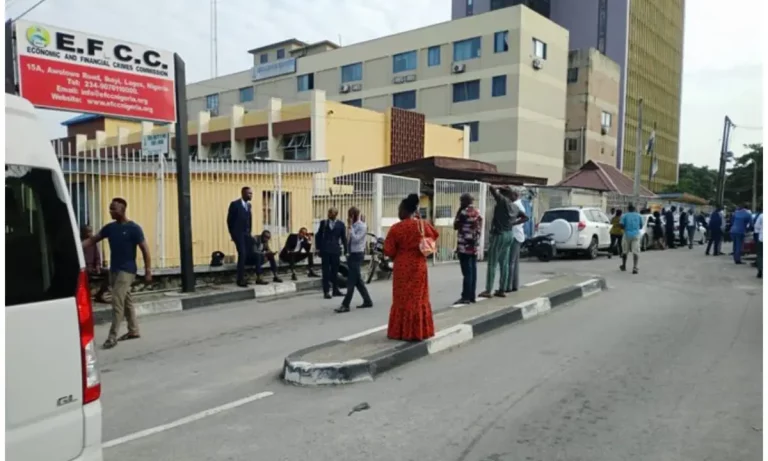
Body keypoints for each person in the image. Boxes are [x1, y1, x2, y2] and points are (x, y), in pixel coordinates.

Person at [82, 198, 151, 350]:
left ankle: (112, 336)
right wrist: (76, 247)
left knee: (117, 301)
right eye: (110, 208)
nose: (111, 211)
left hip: (127, 270)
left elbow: (145, 249)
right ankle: (133, 330)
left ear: (123, 210)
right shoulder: (110, 228)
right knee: (126, 300)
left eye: (114, 209)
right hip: (114, 270)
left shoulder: (134, 228)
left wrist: (148, 271)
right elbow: (93, 240)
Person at [384, 194, 439, 341]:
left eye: (399, 209)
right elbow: (434, 235)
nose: (398, 212)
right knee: (418, 298)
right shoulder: (422, 225)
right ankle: (419, 331)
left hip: (401, 266)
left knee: (402, 299)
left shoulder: (396, 229)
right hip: (418, 265)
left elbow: (388, 250)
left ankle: (400, 331)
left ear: (403, 211)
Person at [479, 186, 517, 298]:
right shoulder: (514, 207)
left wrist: (499, 187)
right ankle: (502, 289)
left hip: (499, 234)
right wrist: (513, 223)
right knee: (504, 263)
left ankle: (488, 290)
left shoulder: (503, 201)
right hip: (509, 234)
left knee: (492, 263)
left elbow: (491, 188)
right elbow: (525, 217)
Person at [336, 207, 373, 313]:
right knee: (358, 280)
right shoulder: (351, 226)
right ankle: (367, 300)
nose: (349, 218)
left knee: (351, 280)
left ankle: (345, 304)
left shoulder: (362, 226)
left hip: (358, 254)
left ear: (354, 215)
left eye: (350, 215)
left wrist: (350, 228)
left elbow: (356, 239)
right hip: (351, 254)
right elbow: (347, 239)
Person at [453, 192, 482, 304]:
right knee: (473, 271)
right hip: (474, 245)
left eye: (461, 201)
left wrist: (459, 209)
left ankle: (465, 297)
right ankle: (472, 296)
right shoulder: (477, 212)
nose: (460, 203)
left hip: (464, 245)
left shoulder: (463, 212)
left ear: (466, 201)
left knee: (467, 272)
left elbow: (455, 226)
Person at [316, 207, 347, 299]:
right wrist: (318, 248)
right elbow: (318, 236)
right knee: (325, 271)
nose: (329, 214)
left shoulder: (341, 224)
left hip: (335, 250)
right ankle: (326, 291)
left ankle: (335, 290)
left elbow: (343, 237)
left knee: (335, 271)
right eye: (329, 212)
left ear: (336, 214)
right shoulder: (324, 223)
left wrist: (346, 249)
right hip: (325, 250)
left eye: (331, 212)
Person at [227, 186, 253, 287]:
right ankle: (240, 279)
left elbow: (249, 220)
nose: (251, 195)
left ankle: (244, 276)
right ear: (243, 193)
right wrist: (233, 235)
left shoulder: (249, 205)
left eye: (251, 193)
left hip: (246, 234)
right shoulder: (235, 204)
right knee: (242, 254)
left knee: (246, 255)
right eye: (249, 193)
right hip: (238, 234)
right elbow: (229, 221)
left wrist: (249, 232)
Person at [504, 188, 529, 293]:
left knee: (510, 262)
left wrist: (512, 223)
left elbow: (525, 218)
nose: (509, 198)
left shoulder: (516, 205)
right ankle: (514, 285)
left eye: (510, 196)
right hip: (518, 235)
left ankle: (508, 286)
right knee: (514, 262)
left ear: (515, 195)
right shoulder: (519, 204)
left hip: (515, 235)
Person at [81, 224, 110, 303]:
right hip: (84, 268)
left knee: (109, 273)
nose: (90, 234)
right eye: (88, 232)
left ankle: (100, 294)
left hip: (93, 268)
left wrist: (97, 265)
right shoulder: (80, 243)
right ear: (83, 232)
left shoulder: (93, 243)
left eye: (91, 232)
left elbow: (97, 256)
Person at [619, 203, 643, 274]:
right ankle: (635, 267)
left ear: (628, 209)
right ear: (634, 209)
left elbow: (621, 225)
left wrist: (626, 228)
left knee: (624, 251)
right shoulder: (639, 216)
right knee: (635, 252)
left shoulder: (624, 216)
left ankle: (624, 265)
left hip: (627, 234)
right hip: (636, 235)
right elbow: (641, 226)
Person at [755, 212, 763, 278]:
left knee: (760, 255)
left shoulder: (761, 215)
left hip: (762, 238)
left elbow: (756, 226)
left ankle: (760, 270)